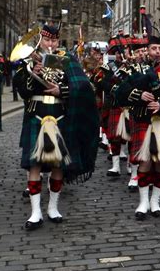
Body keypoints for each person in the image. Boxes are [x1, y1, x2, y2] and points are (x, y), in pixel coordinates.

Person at [13, 23, 99, 231]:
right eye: (46, 40)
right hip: (36, 115)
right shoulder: (28, 60)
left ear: (58, 41)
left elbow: (83, 87)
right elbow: (22, 90)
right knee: (34, 164)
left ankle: (53, 207)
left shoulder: (68, 59)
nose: (50, 44)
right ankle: (35, 212)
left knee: (58, 165)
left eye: (53, 40)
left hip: (60, 116)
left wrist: (61, 91)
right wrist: (32, 72)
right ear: (40, 40)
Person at [115, 34, 160, 220]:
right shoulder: (136, 69)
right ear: (147, 50)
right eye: (153, 49)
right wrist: (138, 94)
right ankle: (143, 202)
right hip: (142, 119)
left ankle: (155, 201)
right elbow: (120, 91)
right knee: (145, 161)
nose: (157, 52)